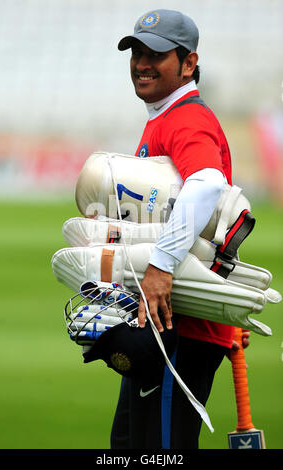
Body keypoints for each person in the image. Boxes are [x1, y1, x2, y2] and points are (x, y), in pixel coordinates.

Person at [110, 9, 250, 449]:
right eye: (136, 52)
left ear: (189, 63)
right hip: (165, 324)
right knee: (130, 447)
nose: (141, 63)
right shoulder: (164, 116)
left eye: (156, 54)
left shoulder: (185, 117)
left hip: (182, 331)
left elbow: (207, 184)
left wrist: (160, 267)